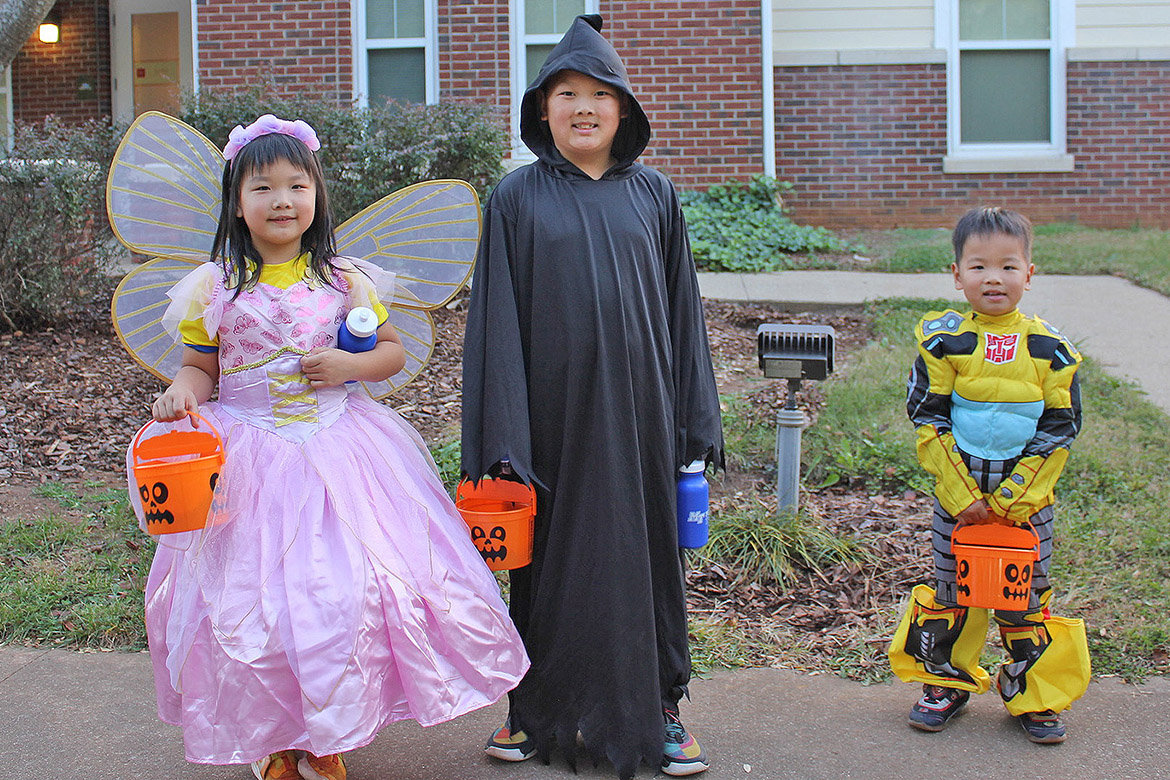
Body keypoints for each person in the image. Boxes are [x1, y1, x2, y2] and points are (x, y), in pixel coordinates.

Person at [130, 115, 528, 780]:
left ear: (316, 195)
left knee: (345, 594)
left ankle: (326, 733)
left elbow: (391, 353)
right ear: (237, 201)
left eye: (296, 185)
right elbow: (202, 366)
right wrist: (184, 390)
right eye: (263, 187)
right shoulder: (215, 286)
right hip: (250, 459)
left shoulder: (345, 282)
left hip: (343, 450)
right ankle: (274, 739)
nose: (282, 200)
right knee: (254, 603)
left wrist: (349, 368)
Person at [461, 14, 724, 780]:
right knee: (545, 568)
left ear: (625, 111)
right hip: (553, 423)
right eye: (565, 92)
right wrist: (504, 435)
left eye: (599, 94)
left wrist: (692, 422)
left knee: (648, 567)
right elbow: (496, 322)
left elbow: (684, 315)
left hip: (641, 419)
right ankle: (532, 712)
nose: (583, 106)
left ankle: (662, 711)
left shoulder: (655, 196)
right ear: (541, 111)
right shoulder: (516, 199)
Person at [888, 206, 1091, 744]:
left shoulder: (1053, 350)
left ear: (1030, 272)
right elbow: (927, 416)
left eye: (1008, 266)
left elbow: (1060, 427)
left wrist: (1016, 497)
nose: (993, 278)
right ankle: (944, 684)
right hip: (961, 490)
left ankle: (1033, 694)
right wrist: (962, 495)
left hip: (1026, 497)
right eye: (978, 267)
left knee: (1024, 593)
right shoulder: (943, 342)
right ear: (957, 275)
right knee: (953, 588)